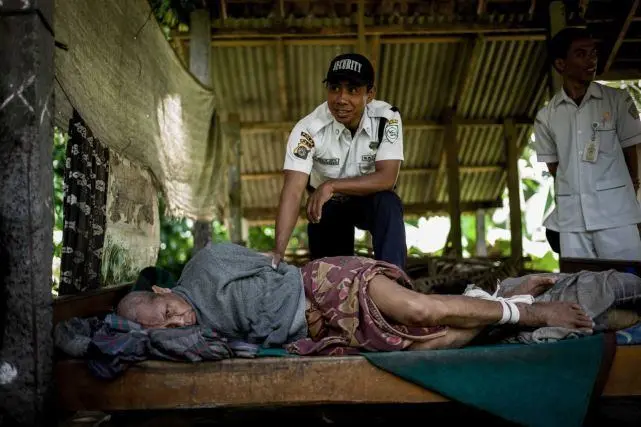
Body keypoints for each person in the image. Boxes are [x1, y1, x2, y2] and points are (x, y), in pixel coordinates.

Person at [116, 242, 594, 354]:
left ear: (162, 289)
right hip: (319, 329)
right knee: (433, 343)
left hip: (321, 283)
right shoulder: (195, 337)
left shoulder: (207, 263)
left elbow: (271, 259)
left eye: (167, 311)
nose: (177, 321)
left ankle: (531, 312)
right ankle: (501, 299)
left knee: (418, 308)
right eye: (167, 327)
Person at [271, 52, 408, 271]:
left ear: (370, 93)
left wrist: (332, 185)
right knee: (330, 278)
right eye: (334, 88)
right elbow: (293, 191)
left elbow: (387, 178)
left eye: (353, 90)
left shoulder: (386, 118)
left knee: (388, 203)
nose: (341, 98)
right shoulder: (308, 129)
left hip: (368, 199)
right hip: (328, 207)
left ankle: (394, 280)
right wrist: (278, 252)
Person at [532, 27, 641, 260]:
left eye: (593, 53)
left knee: (630, 284)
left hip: (616, 216)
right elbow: (556, 169)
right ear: (561, 64)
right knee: (582, 285)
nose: (591, 60)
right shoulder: (547, 116)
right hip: (573, 222)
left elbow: (632, 151)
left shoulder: (617, 101)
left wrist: (626, 193)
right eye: (581, 54)